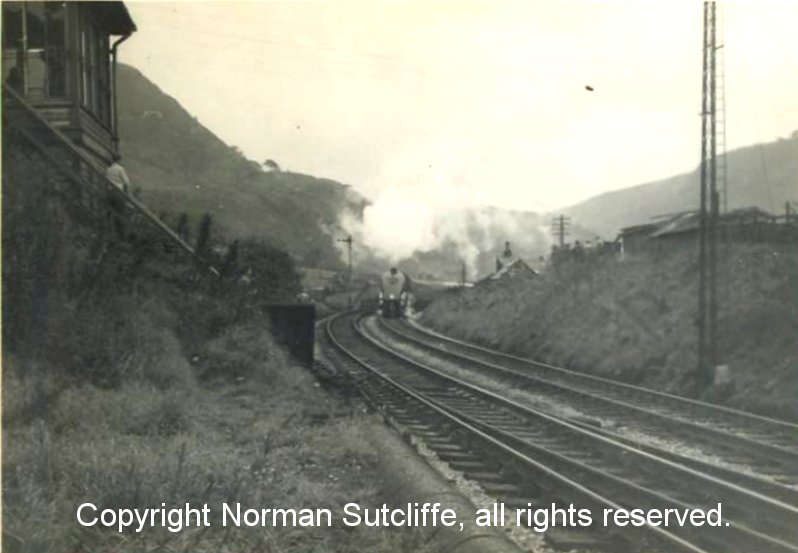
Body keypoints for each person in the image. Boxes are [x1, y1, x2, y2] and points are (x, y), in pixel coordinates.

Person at [105, 153, 131, 235]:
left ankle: (108, 232)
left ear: (112, 160)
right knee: (121, 213)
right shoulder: (120, 169)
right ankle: (121, 234)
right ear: (119, 160)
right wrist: (127, 192)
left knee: (110, 213)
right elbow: (126, 182)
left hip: (109, 193)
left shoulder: (108, 169)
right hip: (118, 193)